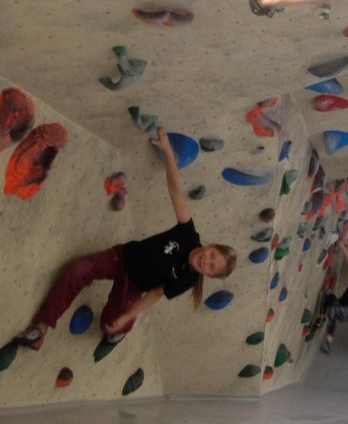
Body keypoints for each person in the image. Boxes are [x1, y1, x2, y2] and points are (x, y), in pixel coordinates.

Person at [10, 130, 237, 353]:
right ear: (211, 246)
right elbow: (176, 192)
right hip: (120, 257)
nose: (206, 261)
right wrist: (169, 153)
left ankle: (121, 330)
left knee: (110, 323)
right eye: (212, 256)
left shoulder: (188, 278)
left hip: (134, 287)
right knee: (78, 269)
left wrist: (127, 317)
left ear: (208, 275)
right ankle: (41, 328)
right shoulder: (188, 234)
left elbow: (155, 294)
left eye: (210, 268)